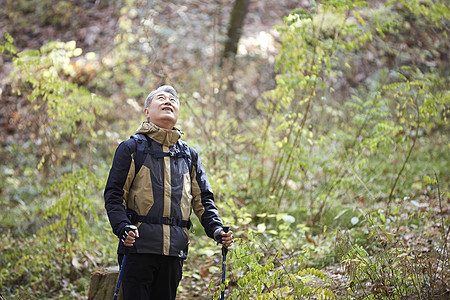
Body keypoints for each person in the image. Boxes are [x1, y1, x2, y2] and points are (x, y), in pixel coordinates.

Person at [104, 85, 233, 299]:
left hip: (174, 252)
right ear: (147, 111)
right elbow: (114, 195)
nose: (168, 101)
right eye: (161, 98)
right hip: (137, 248)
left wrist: (217, 230)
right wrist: (122, 227)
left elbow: (204, 201)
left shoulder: (189, 155)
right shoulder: (131, 149)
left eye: (172, 99)